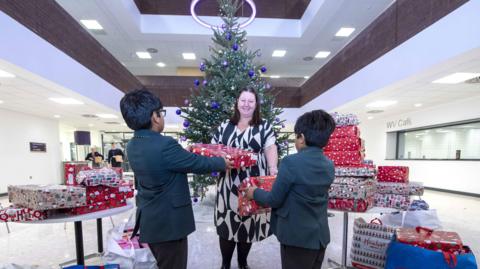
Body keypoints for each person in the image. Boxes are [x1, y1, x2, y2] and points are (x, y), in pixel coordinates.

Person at [120, 88, 233, 269]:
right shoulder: (165, 144)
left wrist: (181, 155)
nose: (162, 117)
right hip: (169, 225)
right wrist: (221, 162)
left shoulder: (132, 144)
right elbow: (197, 164)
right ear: (155, 117)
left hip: (151, 220)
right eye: (161, 113)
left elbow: (169, 163)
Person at [246, 109, 336, 269]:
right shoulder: (329, 164)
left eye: (296, 136)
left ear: (301, 138)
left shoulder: (290, 162)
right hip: (320, 237)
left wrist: (254, 192)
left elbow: (274, 199)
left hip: (297, 238)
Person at [212, 87, 278, 269]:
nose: (246, 104)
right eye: (243, 100)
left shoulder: (264, 126)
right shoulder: (225, 126)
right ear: (237, 103)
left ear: (256, 104)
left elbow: (271, 148)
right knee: (227, 224)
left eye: (251, 101)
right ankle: (225, 264)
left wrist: (273, 168)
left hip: (252, 183)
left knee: (248, 224)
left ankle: (242, 262)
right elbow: (214, 149)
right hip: (228, 184)